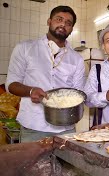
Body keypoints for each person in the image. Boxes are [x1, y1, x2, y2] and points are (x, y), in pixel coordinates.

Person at [5, 6, 85, 142]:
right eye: (59, 19)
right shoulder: (25, 48)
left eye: (68, 23)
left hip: (66, 129)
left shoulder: (77, 59)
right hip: (33, 127)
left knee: (66, 164)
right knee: (32, 164)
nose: (63, 24)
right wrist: (30, 91)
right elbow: (11, 84)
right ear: (49, 21)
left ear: (71, 29)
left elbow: (78, 93)